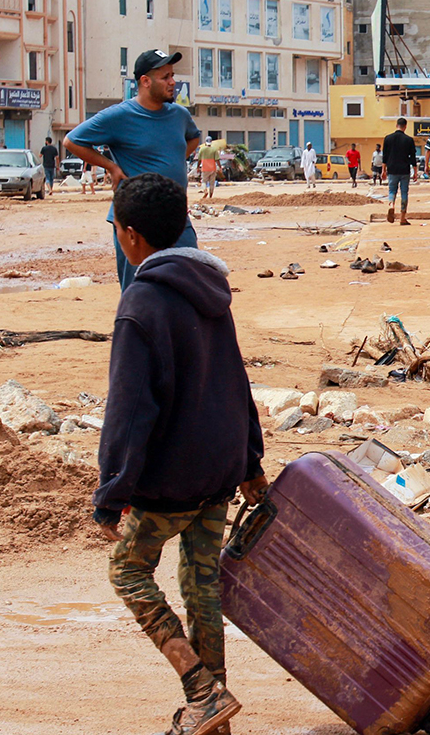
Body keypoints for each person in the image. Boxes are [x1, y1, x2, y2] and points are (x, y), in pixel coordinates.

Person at [92, 172, 267, 735]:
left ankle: (199, 687)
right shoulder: (210, 287)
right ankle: (214, 715)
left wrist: (111, 492)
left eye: (116, 227)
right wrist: (251, 463)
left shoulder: (139, 302)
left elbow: (128, 411)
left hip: (172, 478)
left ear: (131, 235)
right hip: (218, 468)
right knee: (201, 586)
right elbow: (236, 381)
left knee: (127, 569)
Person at [64, 48, 202, 290]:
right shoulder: (119, 116)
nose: (173, 83)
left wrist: (174, 162)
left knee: (190, 286)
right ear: (145, 82)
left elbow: (193, 138)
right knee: (141, 289)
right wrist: (111, 167)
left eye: (173, 75)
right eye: (165, 77)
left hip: (177, 217)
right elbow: (72, 141)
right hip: (137, 221)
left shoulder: (179, 115)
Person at [380, 117, 418, 225]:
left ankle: (391, 204)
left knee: (392, 191)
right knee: (404, 192)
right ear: (405, 127)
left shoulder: (388, 138)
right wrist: (415, 172)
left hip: (392, 169)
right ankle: (402, 217)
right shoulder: (409, 140)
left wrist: (383, 170)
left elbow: (385, 156)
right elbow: (413, 157)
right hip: (404, 170)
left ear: (396, 125)